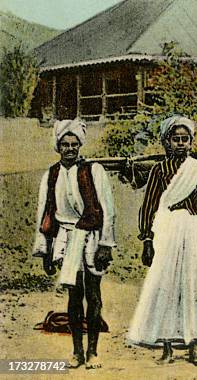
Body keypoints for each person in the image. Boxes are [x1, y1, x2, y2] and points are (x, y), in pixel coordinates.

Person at [126, 115, 197, 366]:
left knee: (192, 285)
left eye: (184, 139)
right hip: (166, 228)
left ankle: (192, 348)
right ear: (166, 142)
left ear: (191, 142)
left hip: (191, 228)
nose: (180, 144)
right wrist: (146, 238)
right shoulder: (159, 170)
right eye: (175, 139)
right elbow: (149, 205)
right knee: (165, 284)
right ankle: (166, 347)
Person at [32, 119, 116, 369]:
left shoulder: (93, 171)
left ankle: (93, 352)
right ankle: (77, 351)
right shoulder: (52, 174)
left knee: (94, 294)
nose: (70, 149)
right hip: (66, 239)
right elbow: (45, 212)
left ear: (80, 146)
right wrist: (46, 251)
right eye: (65, 145)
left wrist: (105, 244)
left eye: (74, 144)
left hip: (90, 237)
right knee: (73, 296)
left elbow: (108, 209)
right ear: (58, 147)